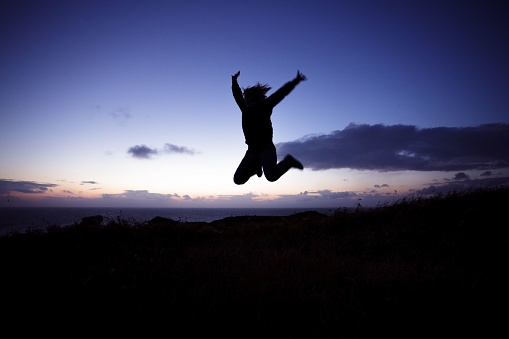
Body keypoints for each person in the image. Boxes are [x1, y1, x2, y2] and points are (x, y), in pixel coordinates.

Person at [232, 70, 307, 185]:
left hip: (266, 148)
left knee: (271, 177)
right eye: (246, 99)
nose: (246, 101)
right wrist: (234, 81)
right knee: (238, 179)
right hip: (252, 150)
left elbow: (280, 94)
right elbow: (237, 95)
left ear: (256, 99)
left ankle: (288, 162)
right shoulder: (244, 108)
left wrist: (295, 81)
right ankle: (255, 167)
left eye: (249, 99)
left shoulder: (265, 106)